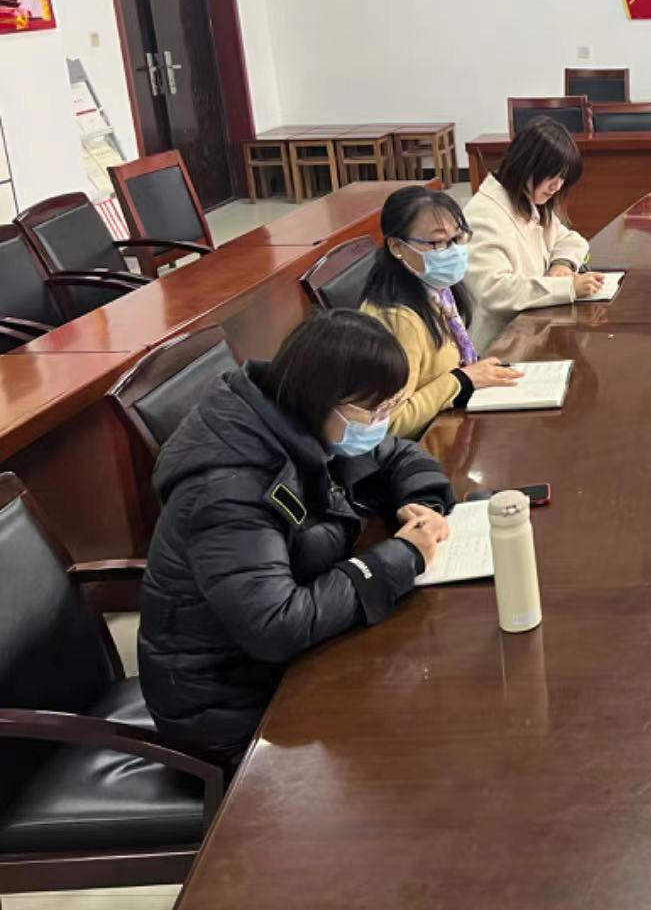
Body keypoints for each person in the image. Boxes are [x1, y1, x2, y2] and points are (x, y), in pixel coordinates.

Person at [138, 309, 455, 770]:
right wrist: (399, 558)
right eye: (374, 411)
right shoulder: (228, 489)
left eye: (389, 407)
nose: (381, 422)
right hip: (230, 711)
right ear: (323, 398)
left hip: (288, 667)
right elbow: (274, 625)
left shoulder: (305, 420)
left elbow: (396, 454)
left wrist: (419, 500)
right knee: (408, 748)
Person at [359, 185, 522, 437]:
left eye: (457, 238)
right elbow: (388, 424)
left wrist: (474, 371)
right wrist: (461, 381)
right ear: (397, 247)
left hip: (451, 422)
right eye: (437, 243)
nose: (453, 251)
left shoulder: (435, 289)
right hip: (423, 444)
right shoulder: (398, 320)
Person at [464, 116, 604, 350]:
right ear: (526, 165)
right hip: (501, 345)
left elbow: (571, 240)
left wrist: (561, 265)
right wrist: (568, 288)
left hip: (536, 327)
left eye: (563, 178)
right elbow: (495, 291)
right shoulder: (484, 215)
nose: (557, 186)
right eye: (553, 176)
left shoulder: (527, 201)